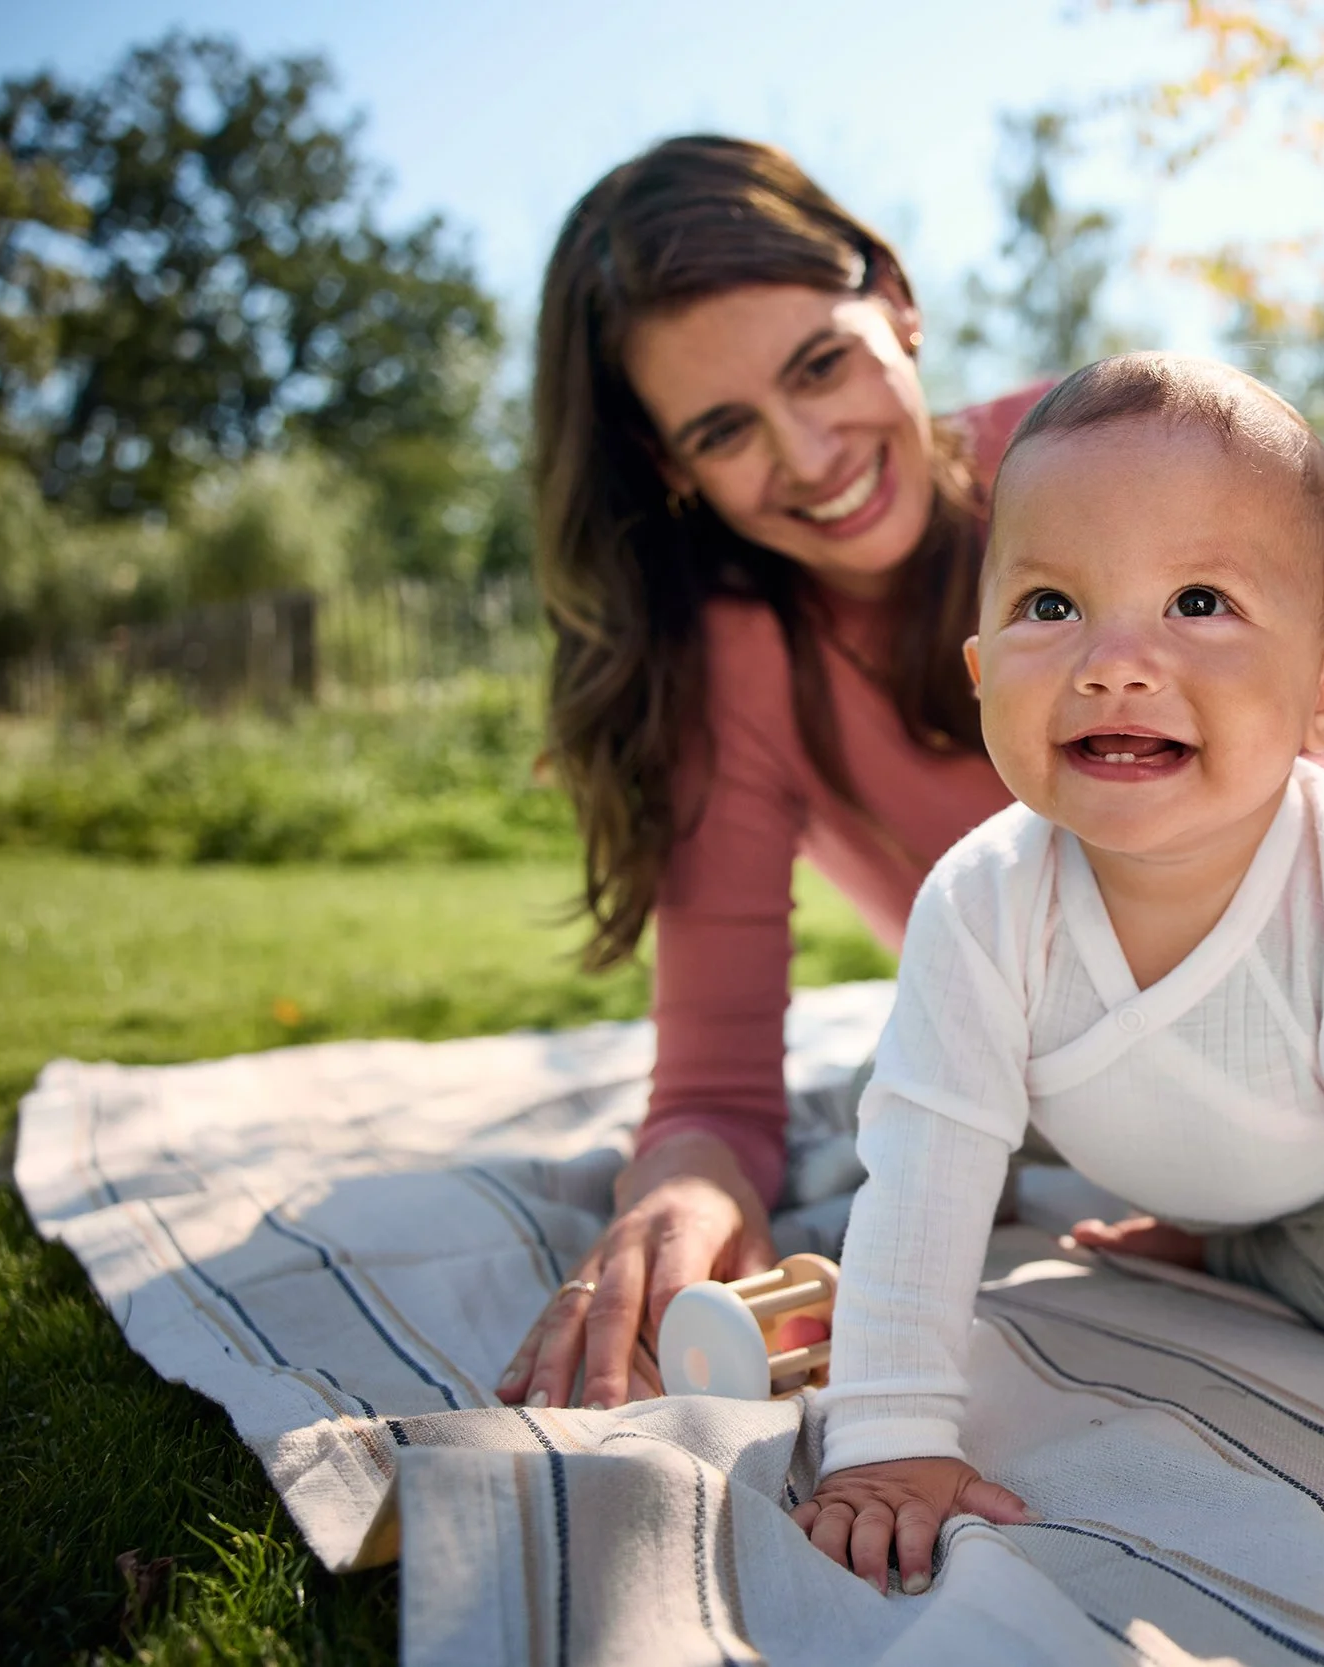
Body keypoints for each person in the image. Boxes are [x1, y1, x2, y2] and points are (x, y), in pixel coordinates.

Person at [797, 354, 1324, 1635]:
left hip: (1316, 1156)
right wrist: (887, 1431)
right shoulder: (982, 896)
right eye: (1052, 604)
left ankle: (1231, 1241)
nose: (1117, 662)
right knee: (908, 1133)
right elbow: (928, 1165)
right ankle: (1124, 1201)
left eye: (1198, 600)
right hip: (1079, 1096)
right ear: (976, 664)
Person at [495, 136, 1047, 1412]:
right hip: (1044, 1048)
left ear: (897, 306)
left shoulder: (1090, 455)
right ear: (673, 469)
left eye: (820, 364)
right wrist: (681, 1193)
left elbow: (1308, 789)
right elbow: (713, 1088)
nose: (807, 455)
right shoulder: (739, 659)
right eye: (725, 429)